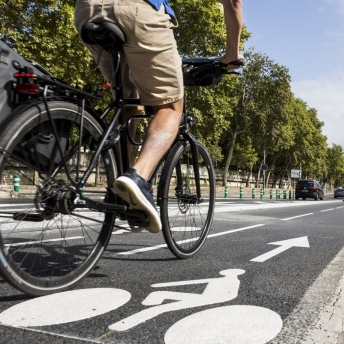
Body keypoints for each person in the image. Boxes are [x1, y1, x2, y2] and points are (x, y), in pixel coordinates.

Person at [74, 0, 243, 233]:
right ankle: (137, 178)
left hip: (86, 10)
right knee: (171, 107)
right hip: (135, 10)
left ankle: (120, 191)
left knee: (129, 104)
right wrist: (231, 56)